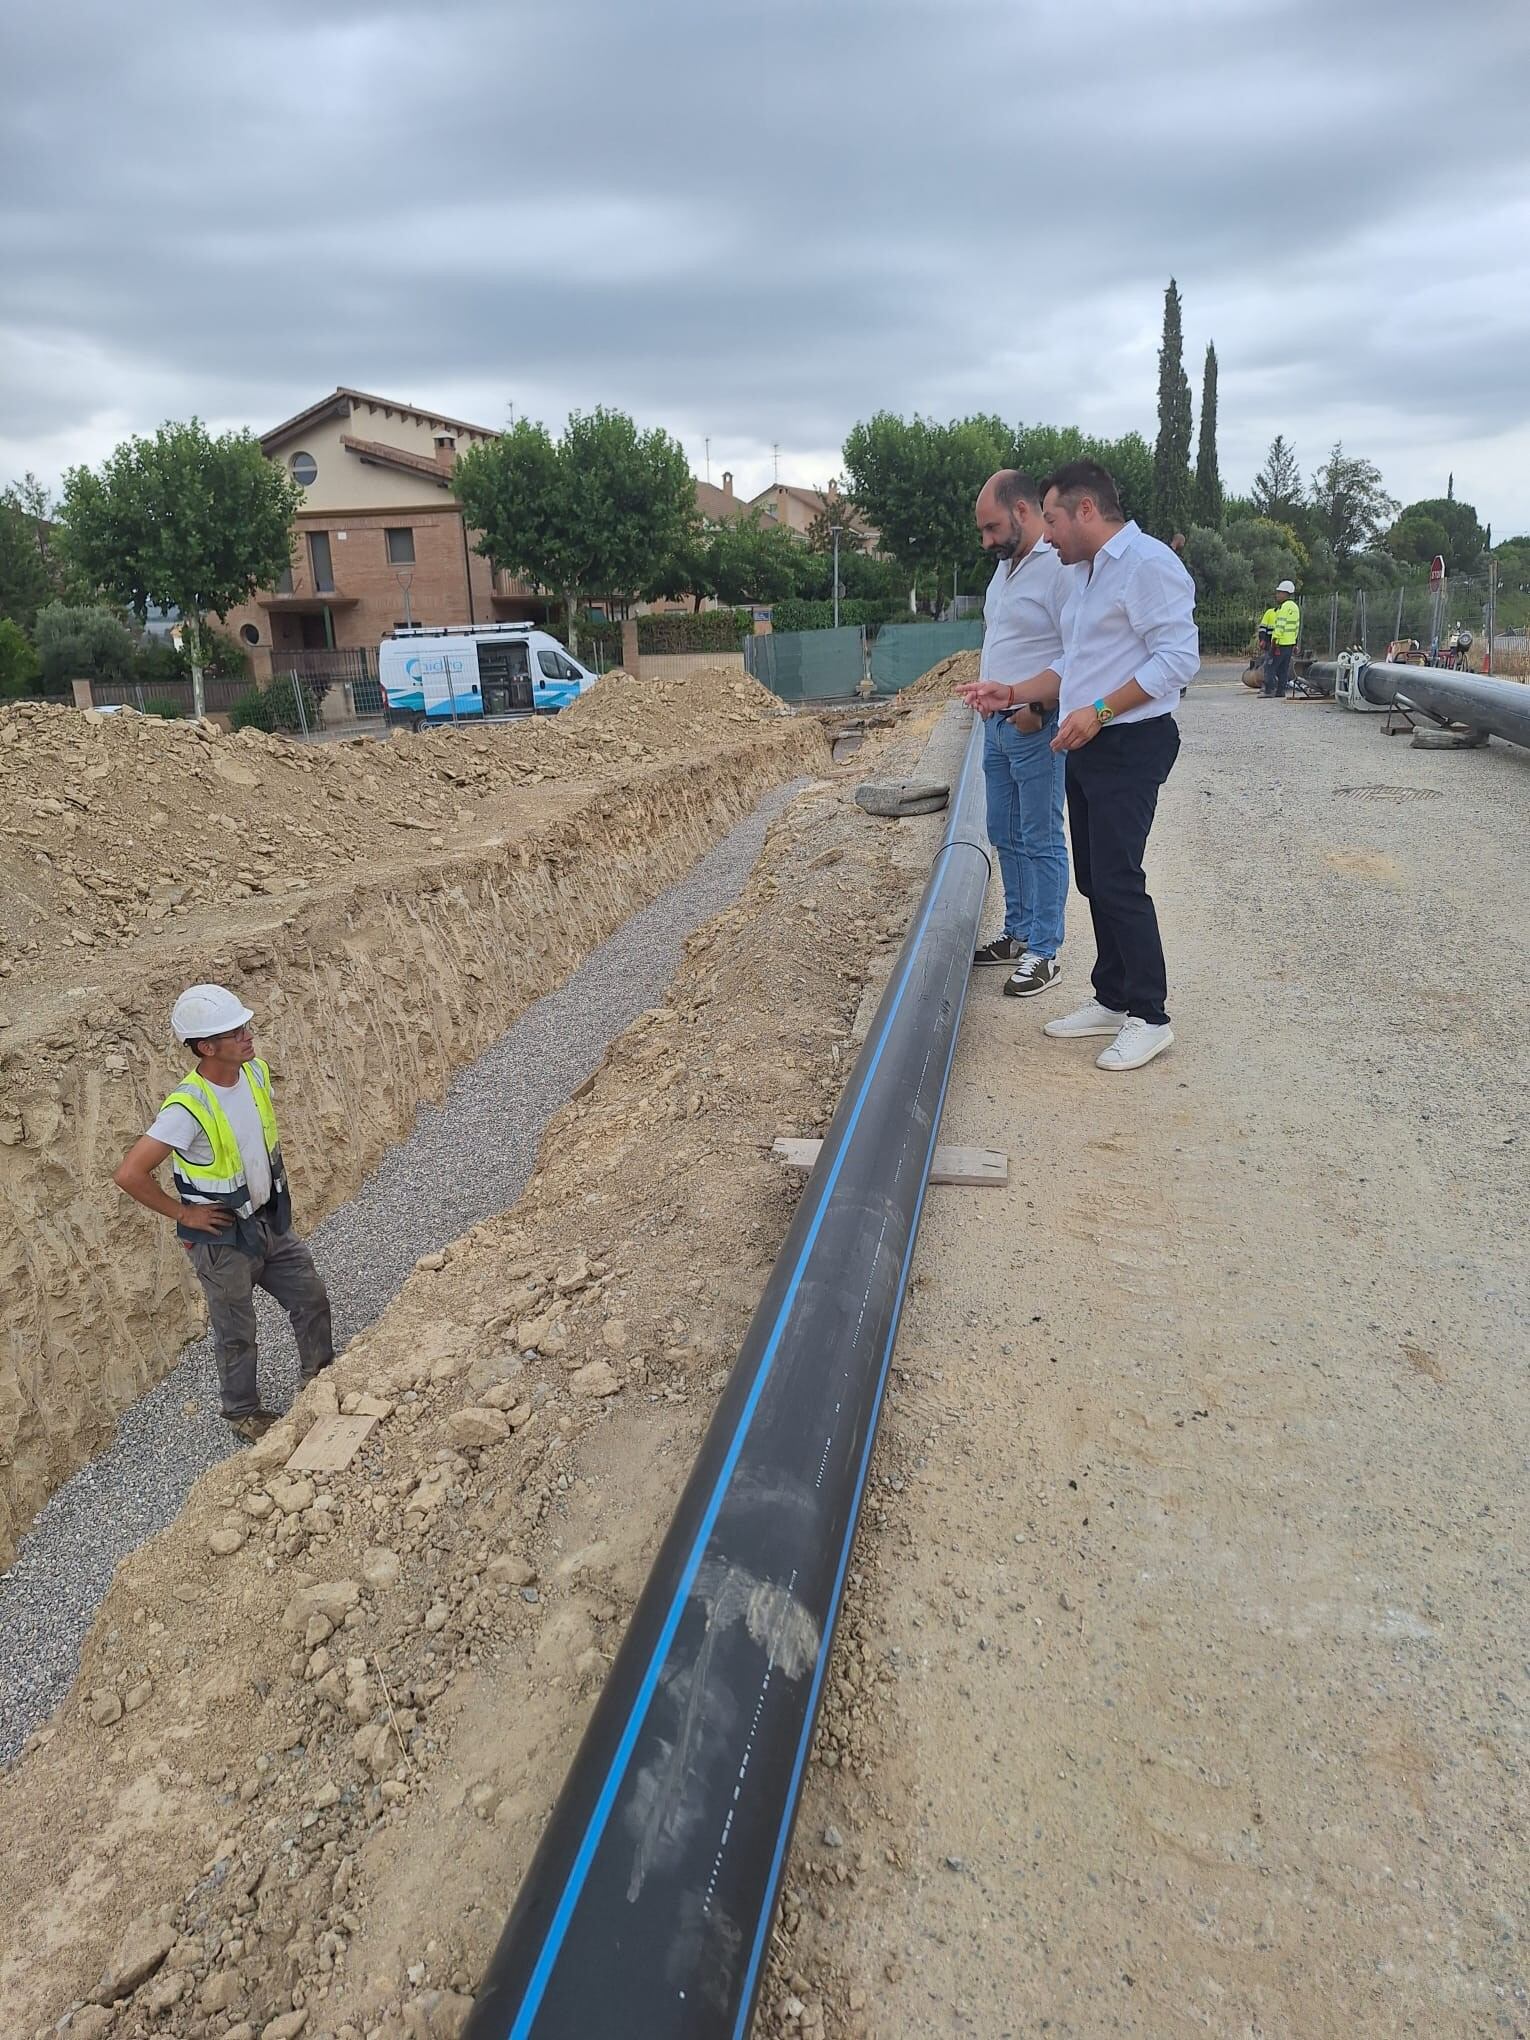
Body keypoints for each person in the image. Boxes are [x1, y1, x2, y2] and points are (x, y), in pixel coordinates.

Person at [957, 460, 1198, 1072]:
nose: (1051, 532)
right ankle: (1113, 997)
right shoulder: (1088, 573)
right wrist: (1012, 693)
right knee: (1094, 878)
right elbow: (1074, 666)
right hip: (1089, 740)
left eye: (1056, 518)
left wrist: (1098, 710)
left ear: (1086, 510)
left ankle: (1150, 1015)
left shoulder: (1147, 565)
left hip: (1131, 740)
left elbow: (1177, 660)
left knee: (1119, 878)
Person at [113, 984, 333, 1441]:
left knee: (310, 1298)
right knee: (237, 1332)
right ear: (206, 1047)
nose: (248, 1036)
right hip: (222, 1240)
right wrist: (184, 1214)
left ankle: (321, 1379)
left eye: (245, 1027)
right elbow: (130, 1173)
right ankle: (242, 1413)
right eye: (236, 1032)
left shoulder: (253, 1074)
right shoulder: (186, 1107)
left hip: (268, 1220)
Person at [968, 470, 1075, 999]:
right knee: (1004, 832)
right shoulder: (1005, 571)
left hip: (1035, 723)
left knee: (1041, 836)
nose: (987, 541)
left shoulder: (1057, 568)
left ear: (1024, 512)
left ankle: (1045, 950)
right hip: (997, 723)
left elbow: (1073, 654)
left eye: (992, 528)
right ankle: (1018, 932)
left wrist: (1034, 703)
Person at [1260, 580, 1301, 696]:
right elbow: (1296, 627)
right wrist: (1295, 643)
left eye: (1279, 592)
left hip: (1279, 643)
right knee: (1283, 669)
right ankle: (1280, 691)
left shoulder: (1284, 607)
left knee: (1270, 667)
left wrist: (1274, 640)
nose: (1277, 595)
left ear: (1285, 593)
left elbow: (1280, 625)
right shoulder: (1295, 607)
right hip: (1289, 644)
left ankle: (1269, 690)